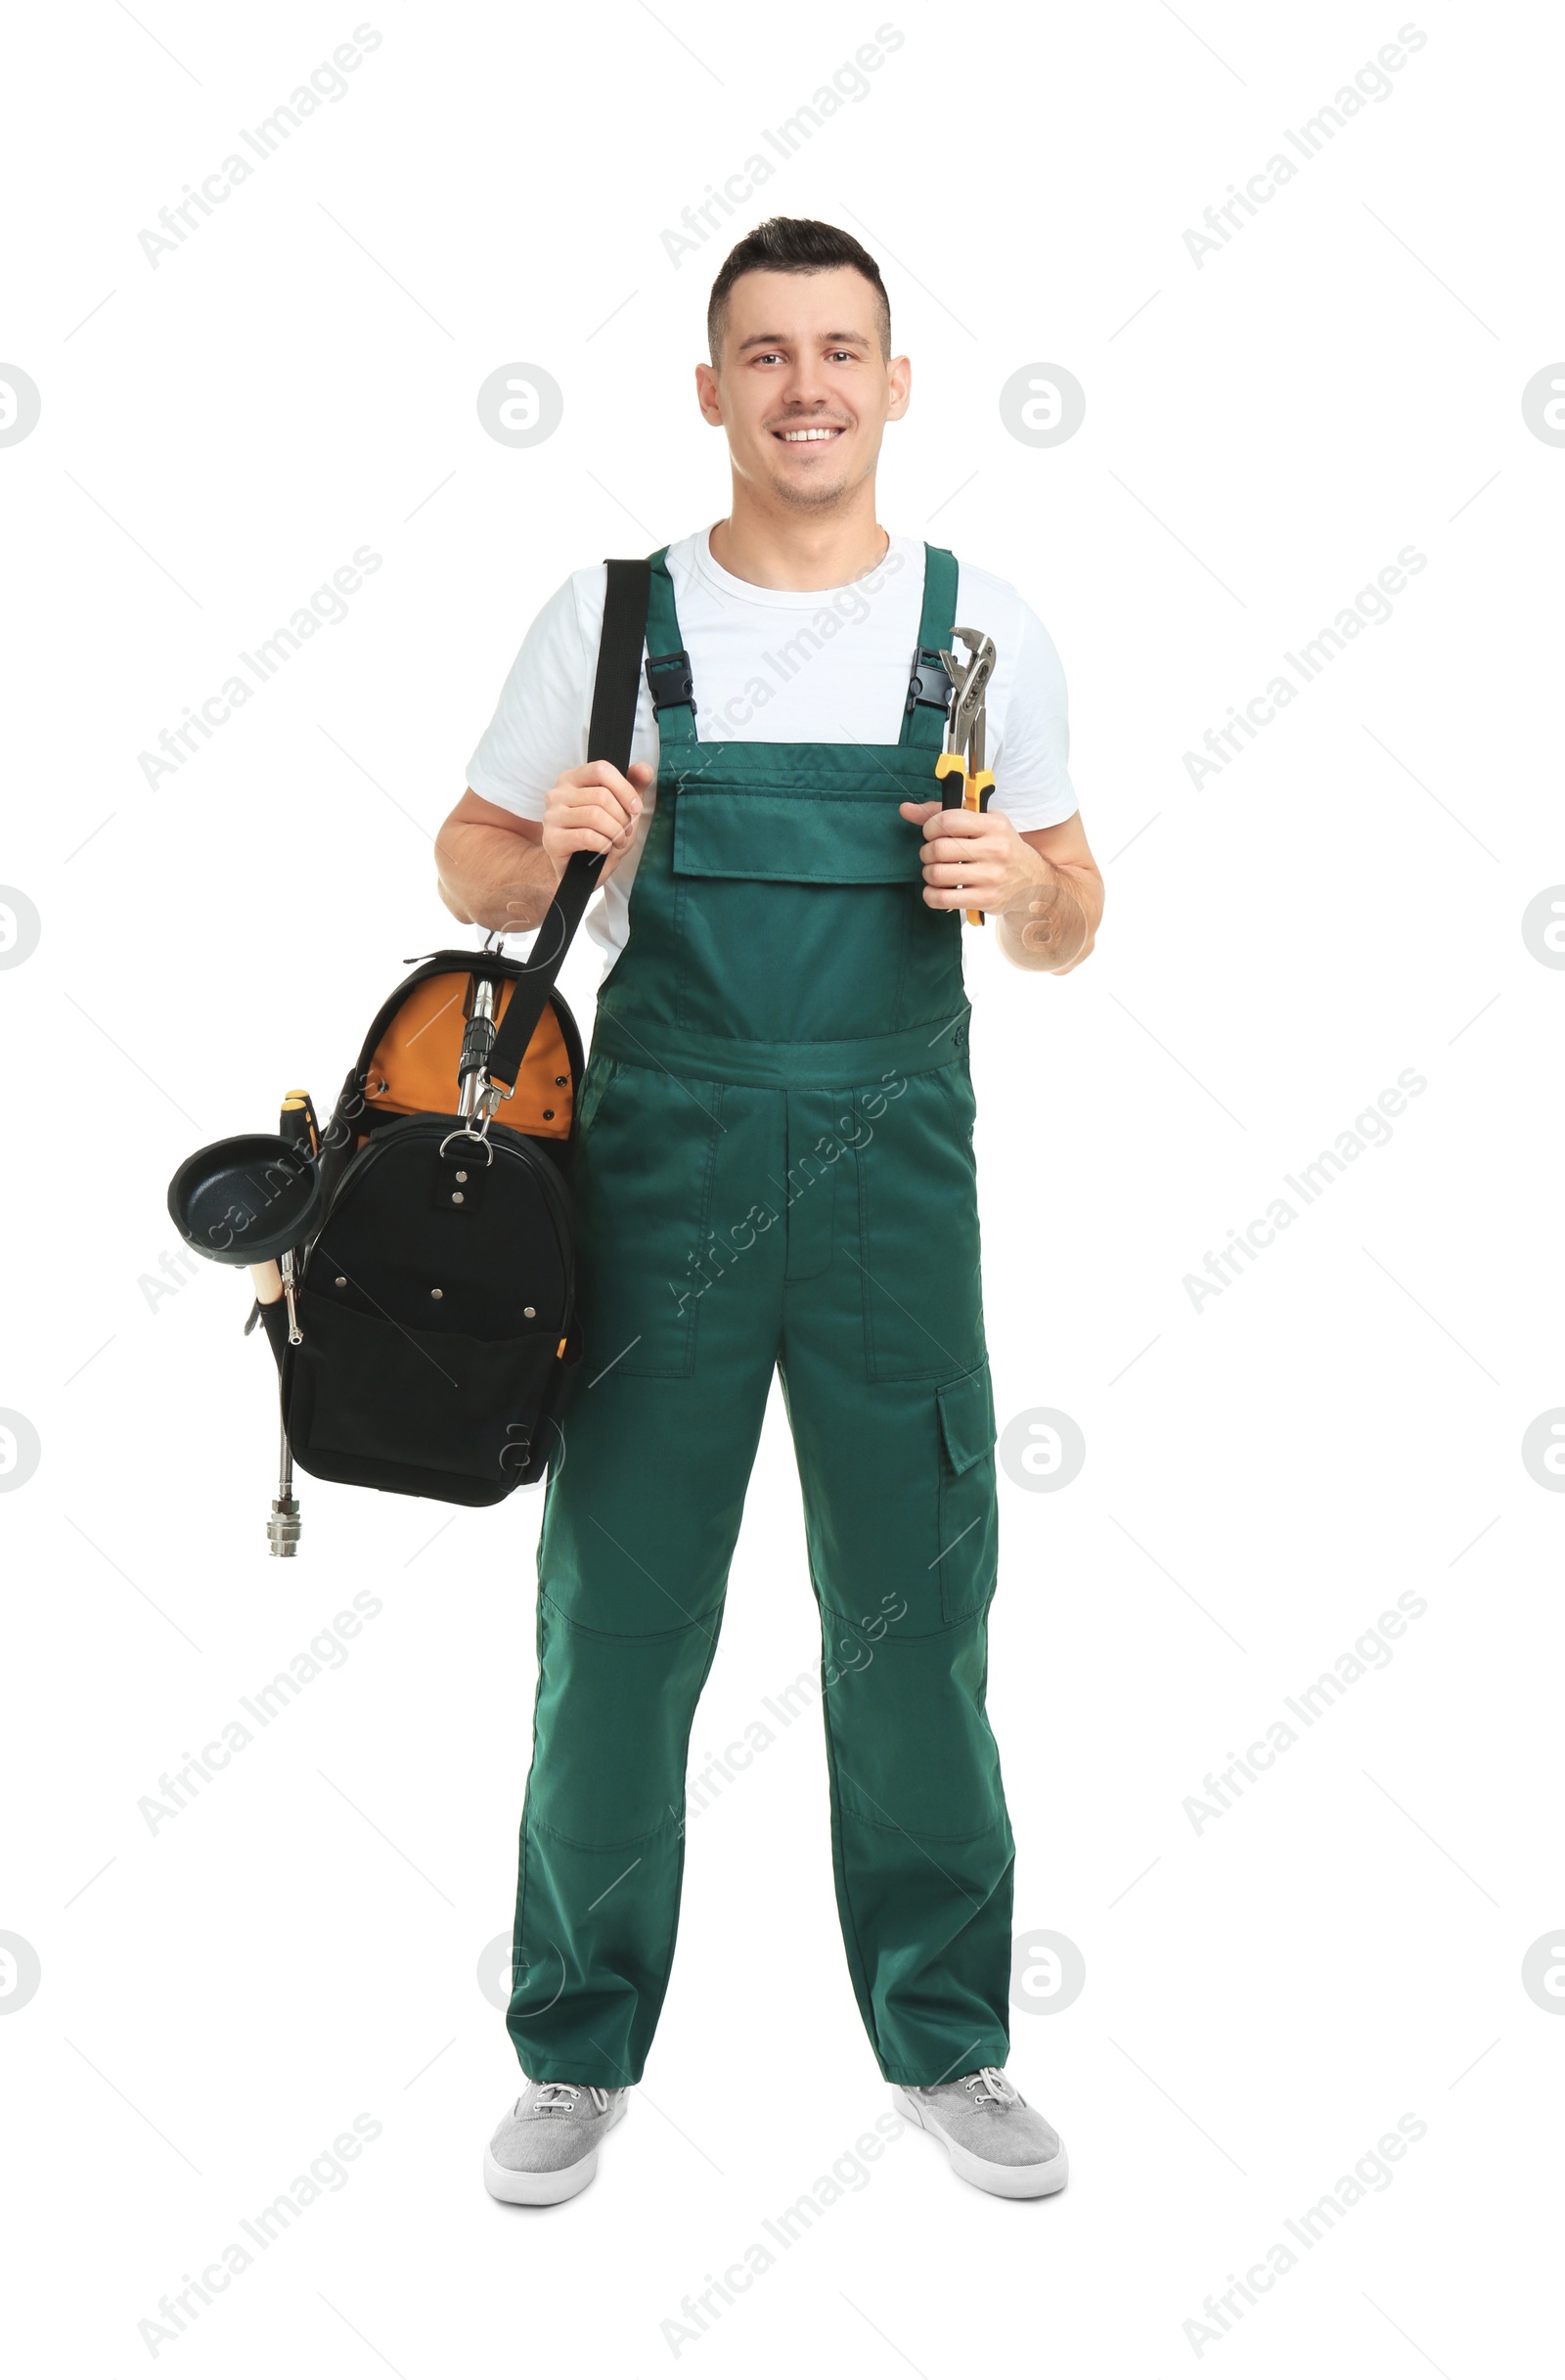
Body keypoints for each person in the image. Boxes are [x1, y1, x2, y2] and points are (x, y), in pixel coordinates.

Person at [433, 216, 1103, 2207]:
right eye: (762, 352)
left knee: (913, 1624)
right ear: (710, 388)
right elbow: (466, 856)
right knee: (618, 1624)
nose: (802, 384)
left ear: (896, 385)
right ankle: (574, 2040)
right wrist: (542, 836)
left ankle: (946, 2034)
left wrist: (1024, 886)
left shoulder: (979, 632)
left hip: (894, 1191)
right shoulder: (616, 619)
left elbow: (1075, 915)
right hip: (659, 1187)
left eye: (838, 350)